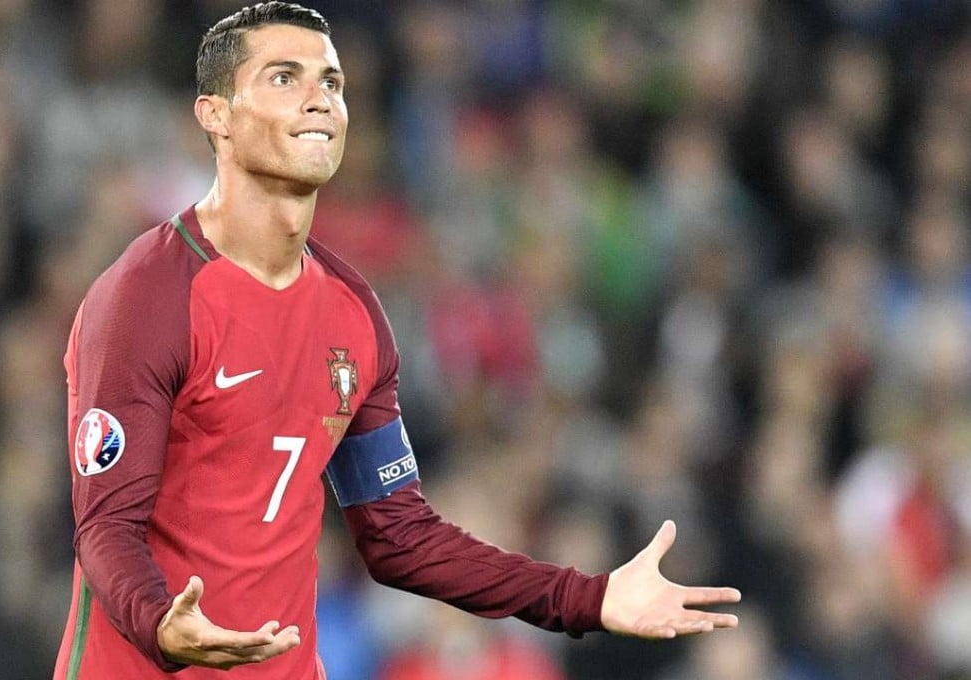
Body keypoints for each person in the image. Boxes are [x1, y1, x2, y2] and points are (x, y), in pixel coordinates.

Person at [53, 4, 741, 678]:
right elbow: (107, 526)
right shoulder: (147, 298)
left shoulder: (352, 313)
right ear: (217, 117)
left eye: (332, 82)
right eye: (285, 78)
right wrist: (160, 624)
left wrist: (589, 598)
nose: (320, 100)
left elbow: (400, 536)